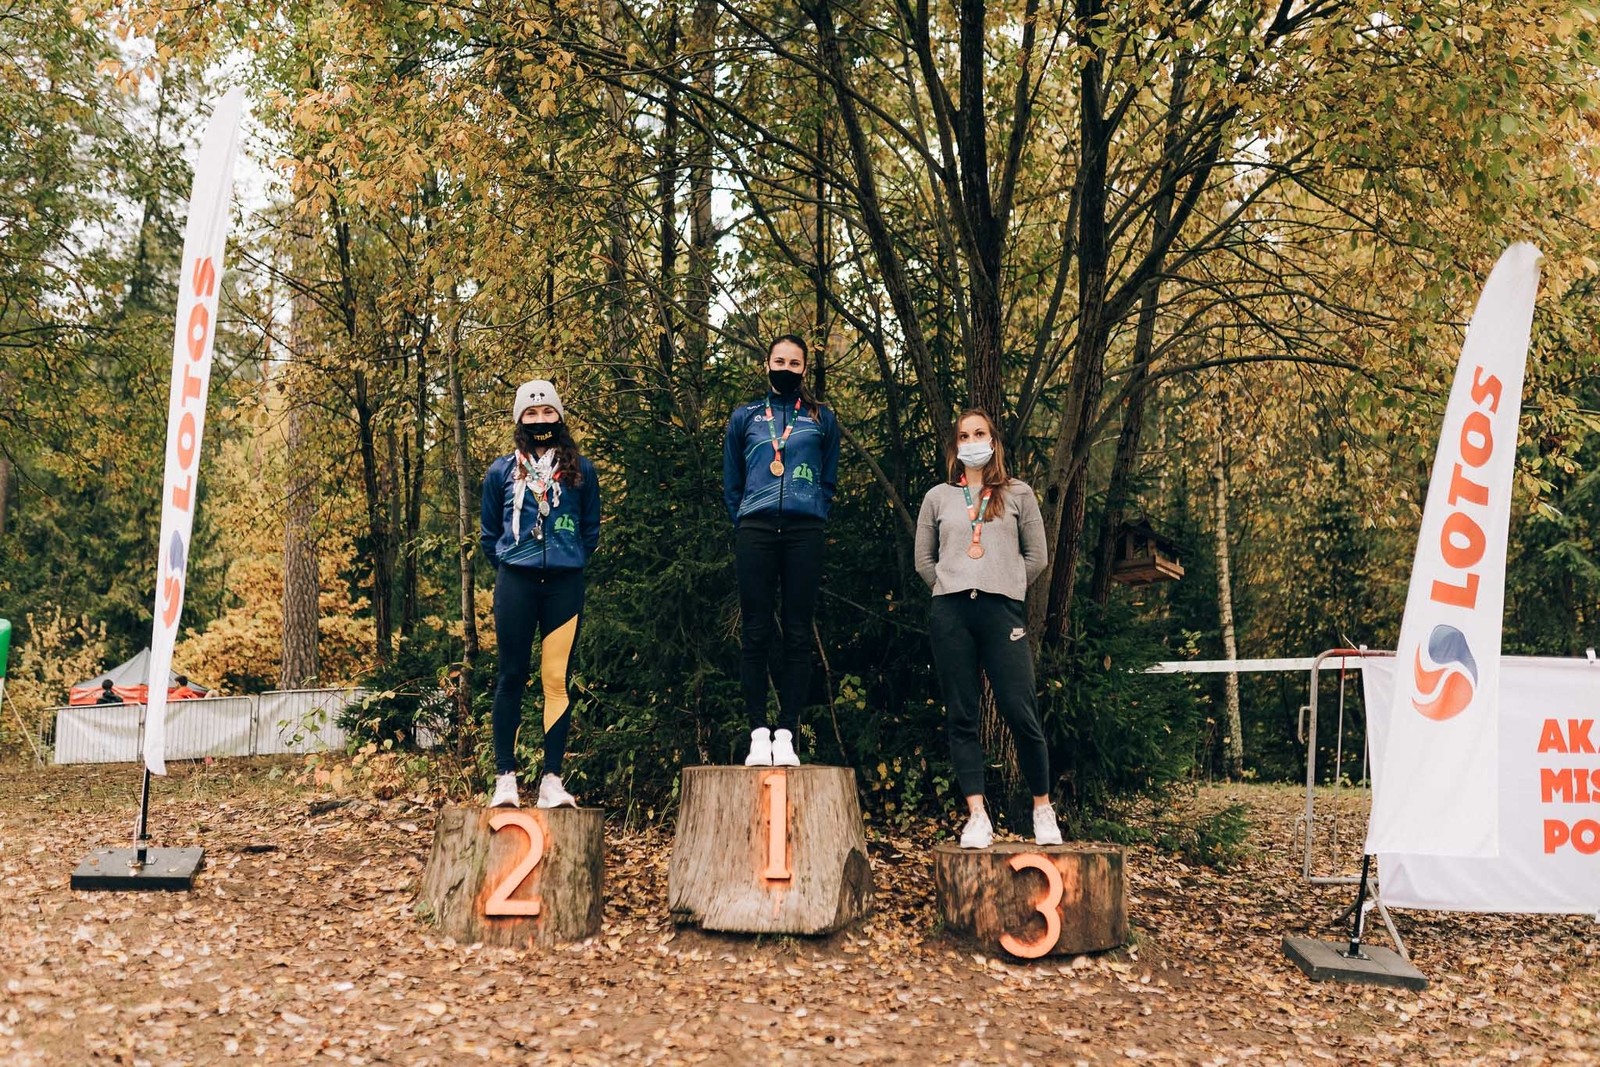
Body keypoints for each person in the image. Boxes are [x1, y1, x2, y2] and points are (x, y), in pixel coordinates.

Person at [914, 409, 1063, 849]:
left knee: (1020, 710)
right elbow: (924, 560)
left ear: (993, 442)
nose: (972, 441)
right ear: (955, 446)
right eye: (964, 435)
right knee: (962, 715)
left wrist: (1007, 584)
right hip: (952, 613)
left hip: (1002, 612)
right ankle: (977, 816)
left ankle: (1043, 809)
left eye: (979, 433)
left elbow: (1037, 557)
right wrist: (949, 585)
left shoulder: (1018, 493)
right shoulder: (938, 497)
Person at [480, 379, 601, 809]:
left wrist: (569, 558)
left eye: (547, 412)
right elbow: (488, 535)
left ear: (559, 417)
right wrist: (514, 562)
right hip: (516, 582)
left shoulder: (582, 471)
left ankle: (552, 779)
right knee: (511, 675)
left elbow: (591, 531)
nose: (540, 420)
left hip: (564, 585)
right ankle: (505, 780)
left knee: (555, 678)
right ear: (519, 419)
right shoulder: (500, 471)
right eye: (531, 413)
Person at [722, 335, 840, 766]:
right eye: (779, 361)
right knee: (755, 631)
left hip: (804, 531)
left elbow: (828, 479)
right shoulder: (746, 416)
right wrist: (744, 518)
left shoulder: (822, 418)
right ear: (766, 365)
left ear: (804, 369)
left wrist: (814, 511)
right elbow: (732, 482)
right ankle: (758, 732)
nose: (786, 368)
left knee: (797, 631)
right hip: (755, 530)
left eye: (794, 363)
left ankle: (787, 732)